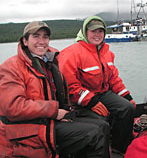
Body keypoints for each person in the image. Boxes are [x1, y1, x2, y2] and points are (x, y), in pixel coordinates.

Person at [0, 21, 110, 158]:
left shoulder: (50, 62)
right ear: (25, 41)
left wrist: (66, 112)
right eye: (36, 36)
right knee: (93, 133)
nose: (42, 41)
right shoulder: (11, 67)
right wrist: (54, 112)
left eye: (45, 37)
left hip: (50, 120)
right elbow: (13, 107)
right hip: (27, 127)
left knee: (103, 125)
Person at [58, 16, 136, 154]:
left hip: (103, 94)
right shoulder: (72, 53)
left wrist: (127, 96)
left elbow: (114, 78)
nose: (97, 34)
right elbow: (69, 86)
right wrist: (91, 101)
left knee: (127, 108)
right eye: (93, 31)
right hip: (79, 101)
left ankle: (120, 148)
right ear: (85, 32)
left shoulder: (107, 52)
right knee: (100, 121)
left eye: (101, 31)